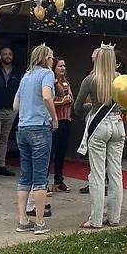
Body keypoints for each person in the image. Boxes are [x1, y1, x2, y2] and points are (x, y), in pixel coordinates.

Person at [75, 45, 125, 228]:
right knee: (115, 173)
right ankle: (114, 217)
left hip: (99, 126)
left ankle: (96, 219)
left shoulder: (90, 80)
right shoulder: (121, 79)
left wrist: (90, 108)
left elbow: (78, 107)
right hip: (118, 124)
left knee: (97, 174)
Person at [12, 44, 58, 235]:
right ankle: (39, 222)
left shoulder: (26, 76)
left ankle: (23, 220)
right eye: (51, 57)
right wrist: (54, 118)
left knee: (26, 175)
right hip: (40, 126)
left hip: (22, 127)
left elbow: (15, 105)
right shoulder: (46, 74)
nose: (53, 61)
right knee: (40, 177)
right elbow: (47, 97)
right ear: (46, 59)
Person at [0, 47, 20, 177]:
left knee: (4, 139)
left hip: (11, 110)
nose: (7, 56)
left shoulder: (17, 72)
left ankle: (1, 165)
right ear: (0, 56)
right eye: (5, 54)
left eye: (10, 54)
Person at [51, 57, 74, 192]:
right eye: (60, 66)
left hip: (66, 119)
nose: (63, 68)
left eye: (64, 66)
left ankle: (58, 181)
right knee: (51, 152)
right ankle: (44, 182)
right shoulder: (51, 83)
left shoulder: (66, 82)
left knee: (61, 152)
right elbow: (47, 101)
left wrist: (68, 101)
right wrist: (62, 103)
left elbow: (71, 98)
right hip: (55, 121)